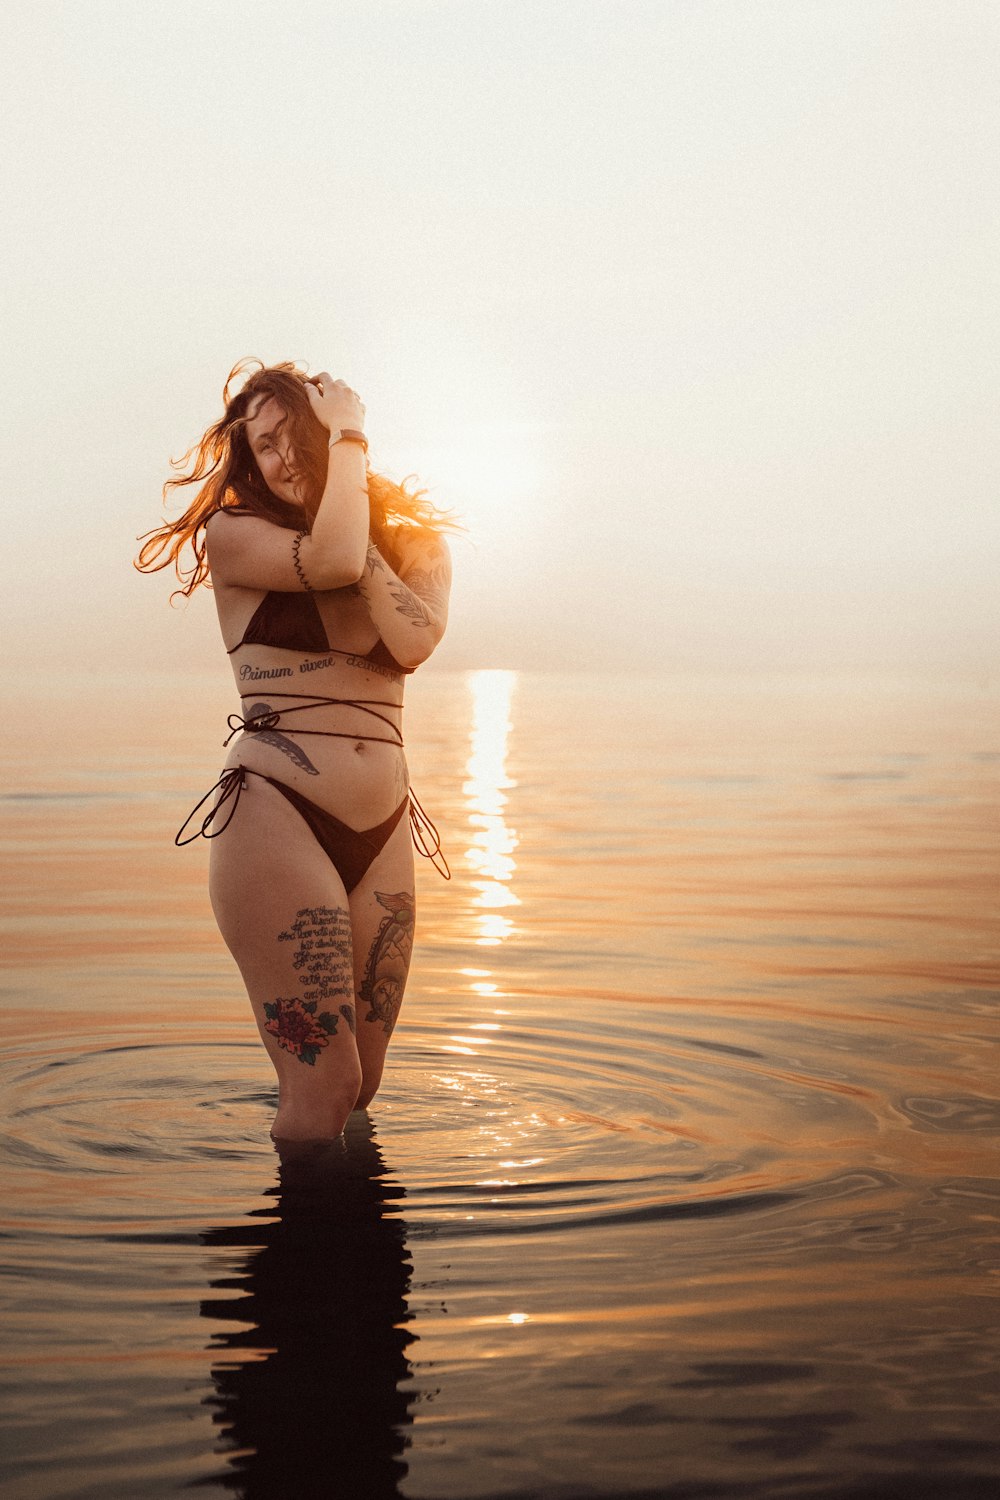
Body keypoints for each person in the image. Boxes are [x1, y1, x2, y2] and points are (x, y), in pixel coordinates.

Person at [136, 360, 454, 1142]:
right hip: (277, 813)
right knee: (325, 1081)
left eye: (290, 437)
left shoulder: (415, 541)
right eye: (261, 445)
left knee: (362, 1086)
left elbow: (413, 641)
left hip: (381, 826)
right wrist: (348, 439)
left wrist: (354, 505)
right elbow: (336, 564)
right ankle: (298, 1259)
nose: (276, 457)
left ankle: (355, 1258)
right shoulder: (237, 534)